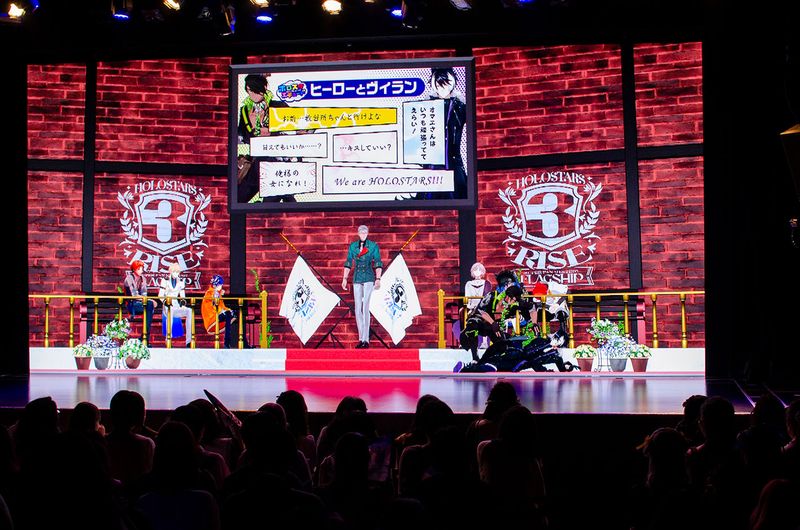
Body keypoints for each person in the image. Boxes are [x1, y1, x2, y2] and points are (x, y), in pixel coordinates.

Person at [342, 225, 383, 348]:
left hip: (369, 277)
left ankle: (366, 339)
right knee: (358, 308)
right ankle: (361, 338)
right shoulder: (353, 246)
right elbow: (348, 262)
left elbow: (378, 262)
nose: (363, 234)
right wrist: (344, 278)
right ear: (358, 233)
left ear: (368, 233)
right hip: (357, 278)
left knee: (365, 307)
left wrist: (378, 278)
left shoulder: (373, 246)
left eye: (365, 232)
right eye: (361, 232)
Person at [159, 262, 193, 347]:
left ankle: (189, 341)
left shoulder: (181, 281)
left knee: (189, 311)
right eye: (174, 271)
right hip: (167, 305)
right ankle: (168, 339)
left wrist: (182, 303)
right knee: (170, 311)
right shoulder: (165, 280)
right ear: (170, 271)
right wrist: (166, 302)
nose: (176, 273)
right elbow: (160, 295)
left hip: (176, 305)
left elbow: (182, 296)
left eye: (177, 272)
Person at [201, 274, 237, 348]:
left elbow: (222, 306)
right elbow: (210, 308)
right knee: (228, 315)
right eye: (220, 285)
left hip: (217, 315)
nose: (221, 286)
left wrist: (229, 310)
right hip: (211, 318)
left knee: (231, 314)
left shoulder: (218, 294)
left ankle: (227, 342)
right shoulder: (209, 293)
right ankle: (226, 343)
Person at [123, 259, 154, 342]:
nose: (141, 270)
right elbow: (134, 295)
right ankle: (145, 337)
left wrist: (147, 300)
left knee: (150, 306)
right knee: (150, 305)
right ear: (134, 269)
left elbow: (144, 294)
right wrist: (149, 300)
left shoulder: (143, 278)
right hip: (131, 304)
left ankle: (145, 337)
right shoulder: (129, 278)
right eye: (139, 269)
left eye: (142, 268)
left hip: (141, 303)